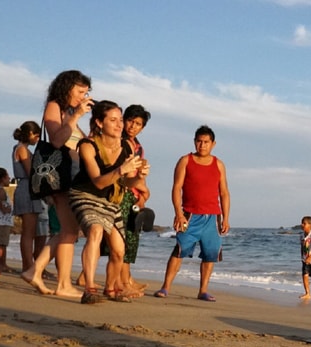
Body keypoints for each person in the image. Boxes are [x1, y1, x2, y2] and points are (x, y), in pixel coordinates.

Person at [21, 70, 93, 298]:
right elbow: (57, 140)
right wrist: (77, 115)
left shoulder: (70, 112)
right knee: (69, 230)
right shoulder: (55, 106)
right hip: (60, 174)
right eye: (80, 91)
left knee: (68, 230)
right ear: (67, 88)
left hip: (71, 175)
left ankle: (36, 271)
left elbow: (81, 143)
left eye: (86, 93)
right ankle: (60, 283)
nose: (83, 97)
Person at [70, 100, 144, 304]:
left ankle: (110, 289)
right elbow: (98, 181)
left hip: (110, 200)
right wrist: (121, 170)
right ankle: (89, 289)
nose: (119, 125)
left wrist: (139, 177)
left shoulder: (127, 147)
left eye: (120, 120)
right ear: (99, 122)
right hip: (85, 195)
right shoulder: (88, 145)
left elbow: (127, 183)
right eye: (113, 120)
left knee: (119, 250)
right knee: (95, 230)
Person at [153, 125, 230, 302]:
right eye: (199, 141)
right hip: (190, 215)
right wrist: (179, 213)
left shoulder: (218, 164)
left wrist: (226, 218)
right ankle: (165, 287)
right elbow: (176, 188)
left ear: (213, 144)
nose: (202, 145)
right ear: (194, 142)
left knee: (210, 254)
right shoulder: (185, 161)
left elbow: (224, 193)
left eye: (206, 142)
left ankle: (203, 290)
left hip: (213, 217)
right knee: (180, 250)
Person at [96, 104, 152, 296]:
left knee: (128, 238)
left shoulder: (138, 146)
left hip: (132, 192)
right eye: (130, 121)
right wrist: (142, 190)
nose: (132, 126)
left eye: (138, 124)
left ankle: (125, 279)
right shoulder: (118, 142)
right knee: (119, 240)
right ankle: (121, 282)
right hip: (119, 192)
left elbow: (139, 172)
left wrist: (142, 193)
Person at [11, 121, 44, 272]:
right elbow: (31, 172)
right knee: (29, 232)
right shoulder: (22, 150)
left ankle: (28, 264)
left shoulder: (18, 148)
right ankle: (28, 265)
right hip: (27, 189)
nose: (37, 139)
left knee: (29, 231)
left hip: (25, 188)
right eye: (36, 136)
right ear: (30, 134)